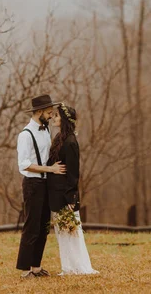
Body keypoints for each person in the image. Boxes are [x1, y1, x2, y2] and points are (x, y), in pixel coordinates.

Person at [16, 94, 66, 279]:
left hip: (46, 183)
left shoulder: (45, 131)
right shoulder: (25, 135)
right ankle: (24, 270)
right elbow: (24, 164)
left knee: (44, 226)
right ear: (38, 112)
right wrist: (50, 169)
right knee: (31, 227)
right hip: (33, 184)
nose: (52, 115)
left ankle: (36, 267)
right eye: (48, 112)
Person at [47, 103, 99, 275]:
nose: (53, 118)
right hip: (55, 192)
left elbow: (73, 173)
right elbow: (51, 163)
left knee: (72, 231)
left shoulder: (70, 142)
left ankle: (81, 267)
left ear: (64, 119)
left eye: (56, 116)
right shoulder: (58, 138)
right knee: (61, 232)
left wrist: (71, 197)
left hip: (66, 194)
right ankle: (68, 267)